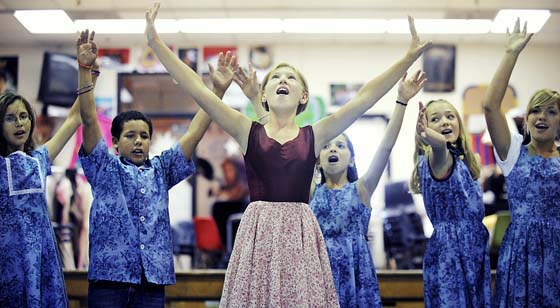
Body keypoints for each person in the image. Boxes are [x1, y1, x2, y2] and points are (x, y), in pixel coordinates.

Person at [145, 3, 429, 306]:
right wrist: (155, 43)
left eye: (291, 78)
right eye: (276, 78)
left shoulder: (315, 135)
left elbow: (365, 97)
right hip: (258, 232)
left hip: (300, 233)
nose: (283, 80)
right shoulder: (246, 130)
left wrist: (408, 57)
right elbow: (196, 88)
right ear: (264, 96)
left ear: (303, 96)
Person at [75, 30, 236, 307]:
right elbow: (89, 120)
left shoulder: (161, 170)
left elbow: (194, 133)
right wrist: (85, 70)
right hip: (108, 281)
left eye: (144, 136)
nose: (139, 141)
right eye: (130, 136)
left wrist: (217, 90)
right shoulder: (104, 168)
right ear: (115, 141)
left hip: (151, 283)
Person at [308, 71, 425, 308]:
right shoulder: (310, 191)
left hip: (356, 274)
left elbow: (385, 146)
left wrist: (401, 101)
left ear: (351, 159)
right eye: (327, 145)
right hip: (318, 272)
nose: (333, 149)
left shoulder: (361, 189)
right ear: (317, 159)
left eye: (340, 145)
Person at [0, 36, 99, 305]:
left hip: (41, 260)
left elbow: (75, 117)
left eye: (24, 117)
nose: (19, 123)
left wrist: (86, 71)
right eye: (10, 118)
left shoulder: (38, 160)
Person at [482, 19, 560, 307]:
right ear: (526, 120)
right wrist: (511, 54)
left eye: (551, 111)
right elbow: (490, 106)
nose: (542, 117)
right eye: (535, 111)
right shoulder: (513, 152)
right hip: (520, 254)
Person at [410, 97, 491, 307]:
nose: (445, 122)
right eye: (435, 119)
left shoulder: (461, 160)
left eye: (450, 116)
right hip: (451, 253)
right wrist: (427, 134)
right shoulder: (438, 158)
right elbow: (440, 148)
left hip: (473, 252)